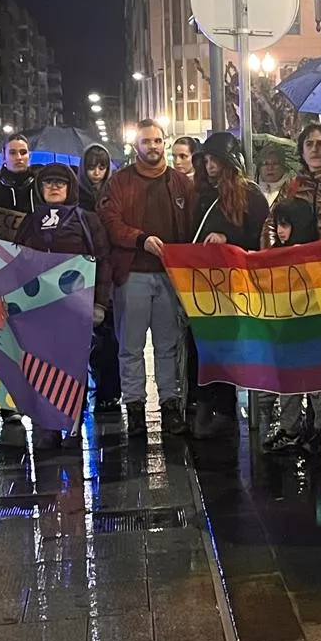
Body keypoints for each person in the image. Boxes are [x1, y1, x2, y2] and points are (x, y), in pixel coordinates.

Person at [99, 120, 195, 435]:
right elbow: (110, 222)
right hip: (132, 274)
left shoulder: (181, 182)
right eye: (146, 142)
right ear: (135, 146)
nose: (152, 147)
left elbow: (193, 224)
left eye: (157, 141)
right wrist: (140, 239)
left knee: (168, 345)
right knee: (131, 346)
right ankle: (136, 407)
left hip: (169, 276)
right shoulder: (119, 182)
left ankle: (169, 403)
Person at [12, 162, 112, 448]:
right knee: (39, 367)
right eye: (48, 183)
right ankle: (45, 424)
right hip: (37, 311)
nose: (54, 187)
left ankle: (71, 423)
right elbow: (16, 263)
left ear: (70, 188)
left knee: (72, 368)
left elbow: (102, 261)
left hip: (75, 309)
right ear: (40, 189)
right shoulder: (30, 222)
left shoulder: (86, 220)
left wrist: (100, 303)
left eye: (60, 183)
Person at [192, 132, 270, 439]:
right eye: (206, 161)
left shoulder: (250, 195)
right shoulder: (202, 194)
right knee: (206, 345)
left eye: (215, 160)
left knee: (232, 346)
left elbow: (260, 239)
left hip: (238, 284)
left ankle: (229, 407)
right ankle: (211, 403)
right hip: (205, 284)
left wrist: (229, 240)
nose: (210, 167)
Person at [261, 198, 321, 455]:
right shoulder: (279, 254)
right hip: (288, 327)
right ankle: (290, 428)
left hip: (311, 327)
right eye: (279, 225)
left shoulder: (311, 254)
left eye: (286, 225)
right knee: (289, 380)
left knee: (315, 380)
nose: (280, 231)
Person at [0, 135, 37, 213]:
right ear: (4, 157)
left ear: (29, 156)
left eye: (23, 152)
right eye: (12, 153)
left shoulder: (41, 190)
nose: (19, 157)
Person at [79, 143, 114, 212]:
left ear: (108, 169)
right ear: (83, 167)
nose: (96, 173)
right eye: (91, 168)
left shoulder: (115, 193)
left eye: (101, 168)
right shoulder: (73, 193)